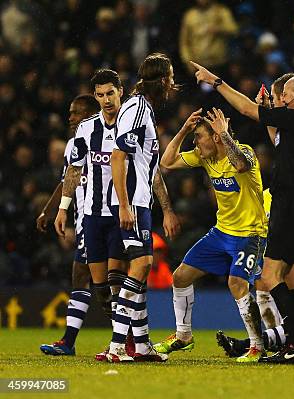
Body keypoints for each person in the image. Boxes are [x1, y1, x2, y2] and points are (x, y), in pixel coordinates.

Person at [189, 61, 294, 363]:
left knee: (268, 275)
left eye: (285, 96)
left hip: (290, 206)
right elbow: (277, 134)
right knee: (292, 278)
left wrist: (216, 81)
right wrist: (269, 113)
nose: (281, 100)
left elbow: (249, 110)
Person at [157, 108, 268, 363]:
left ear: (217, 137)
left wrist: (224, 134)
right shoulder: (203, 157)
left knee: (236, 283)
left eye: (199, 136)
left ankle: (257, 345)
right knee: (181, 277)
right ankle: (183, 336)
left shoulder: (245, 152)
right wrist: (184, 129)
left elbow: (240, 164)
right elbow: (167, 162)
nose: (196, 142)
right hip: (221, 233)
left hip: (250, 234)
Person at [106, 53, 180, 363]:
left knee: (143, 266)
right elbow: (118, 156)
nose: (172, 85)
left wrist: (166, 209)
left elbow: (150, 168)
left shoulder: (144, 110)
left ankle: (143, 344)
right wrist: (124, 205)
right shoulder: (136, 110)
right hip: (131, 202)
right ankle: (117, 346)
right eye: (171, 79)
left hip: (140, 202)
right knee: (140, 265)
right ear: (162, 80)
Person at [39, 94, 99, 356]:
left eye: (76, 112)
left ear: (89, 115)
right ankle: (69, 341)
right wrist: (49, 211)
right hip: (84, 219)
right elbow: (68, 182)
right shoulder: (72, 145)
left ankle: (131, 339)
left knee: (102, 282)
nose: (70, 117)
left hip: (101, 218)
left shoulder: (102, 140)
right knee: (85, 277)